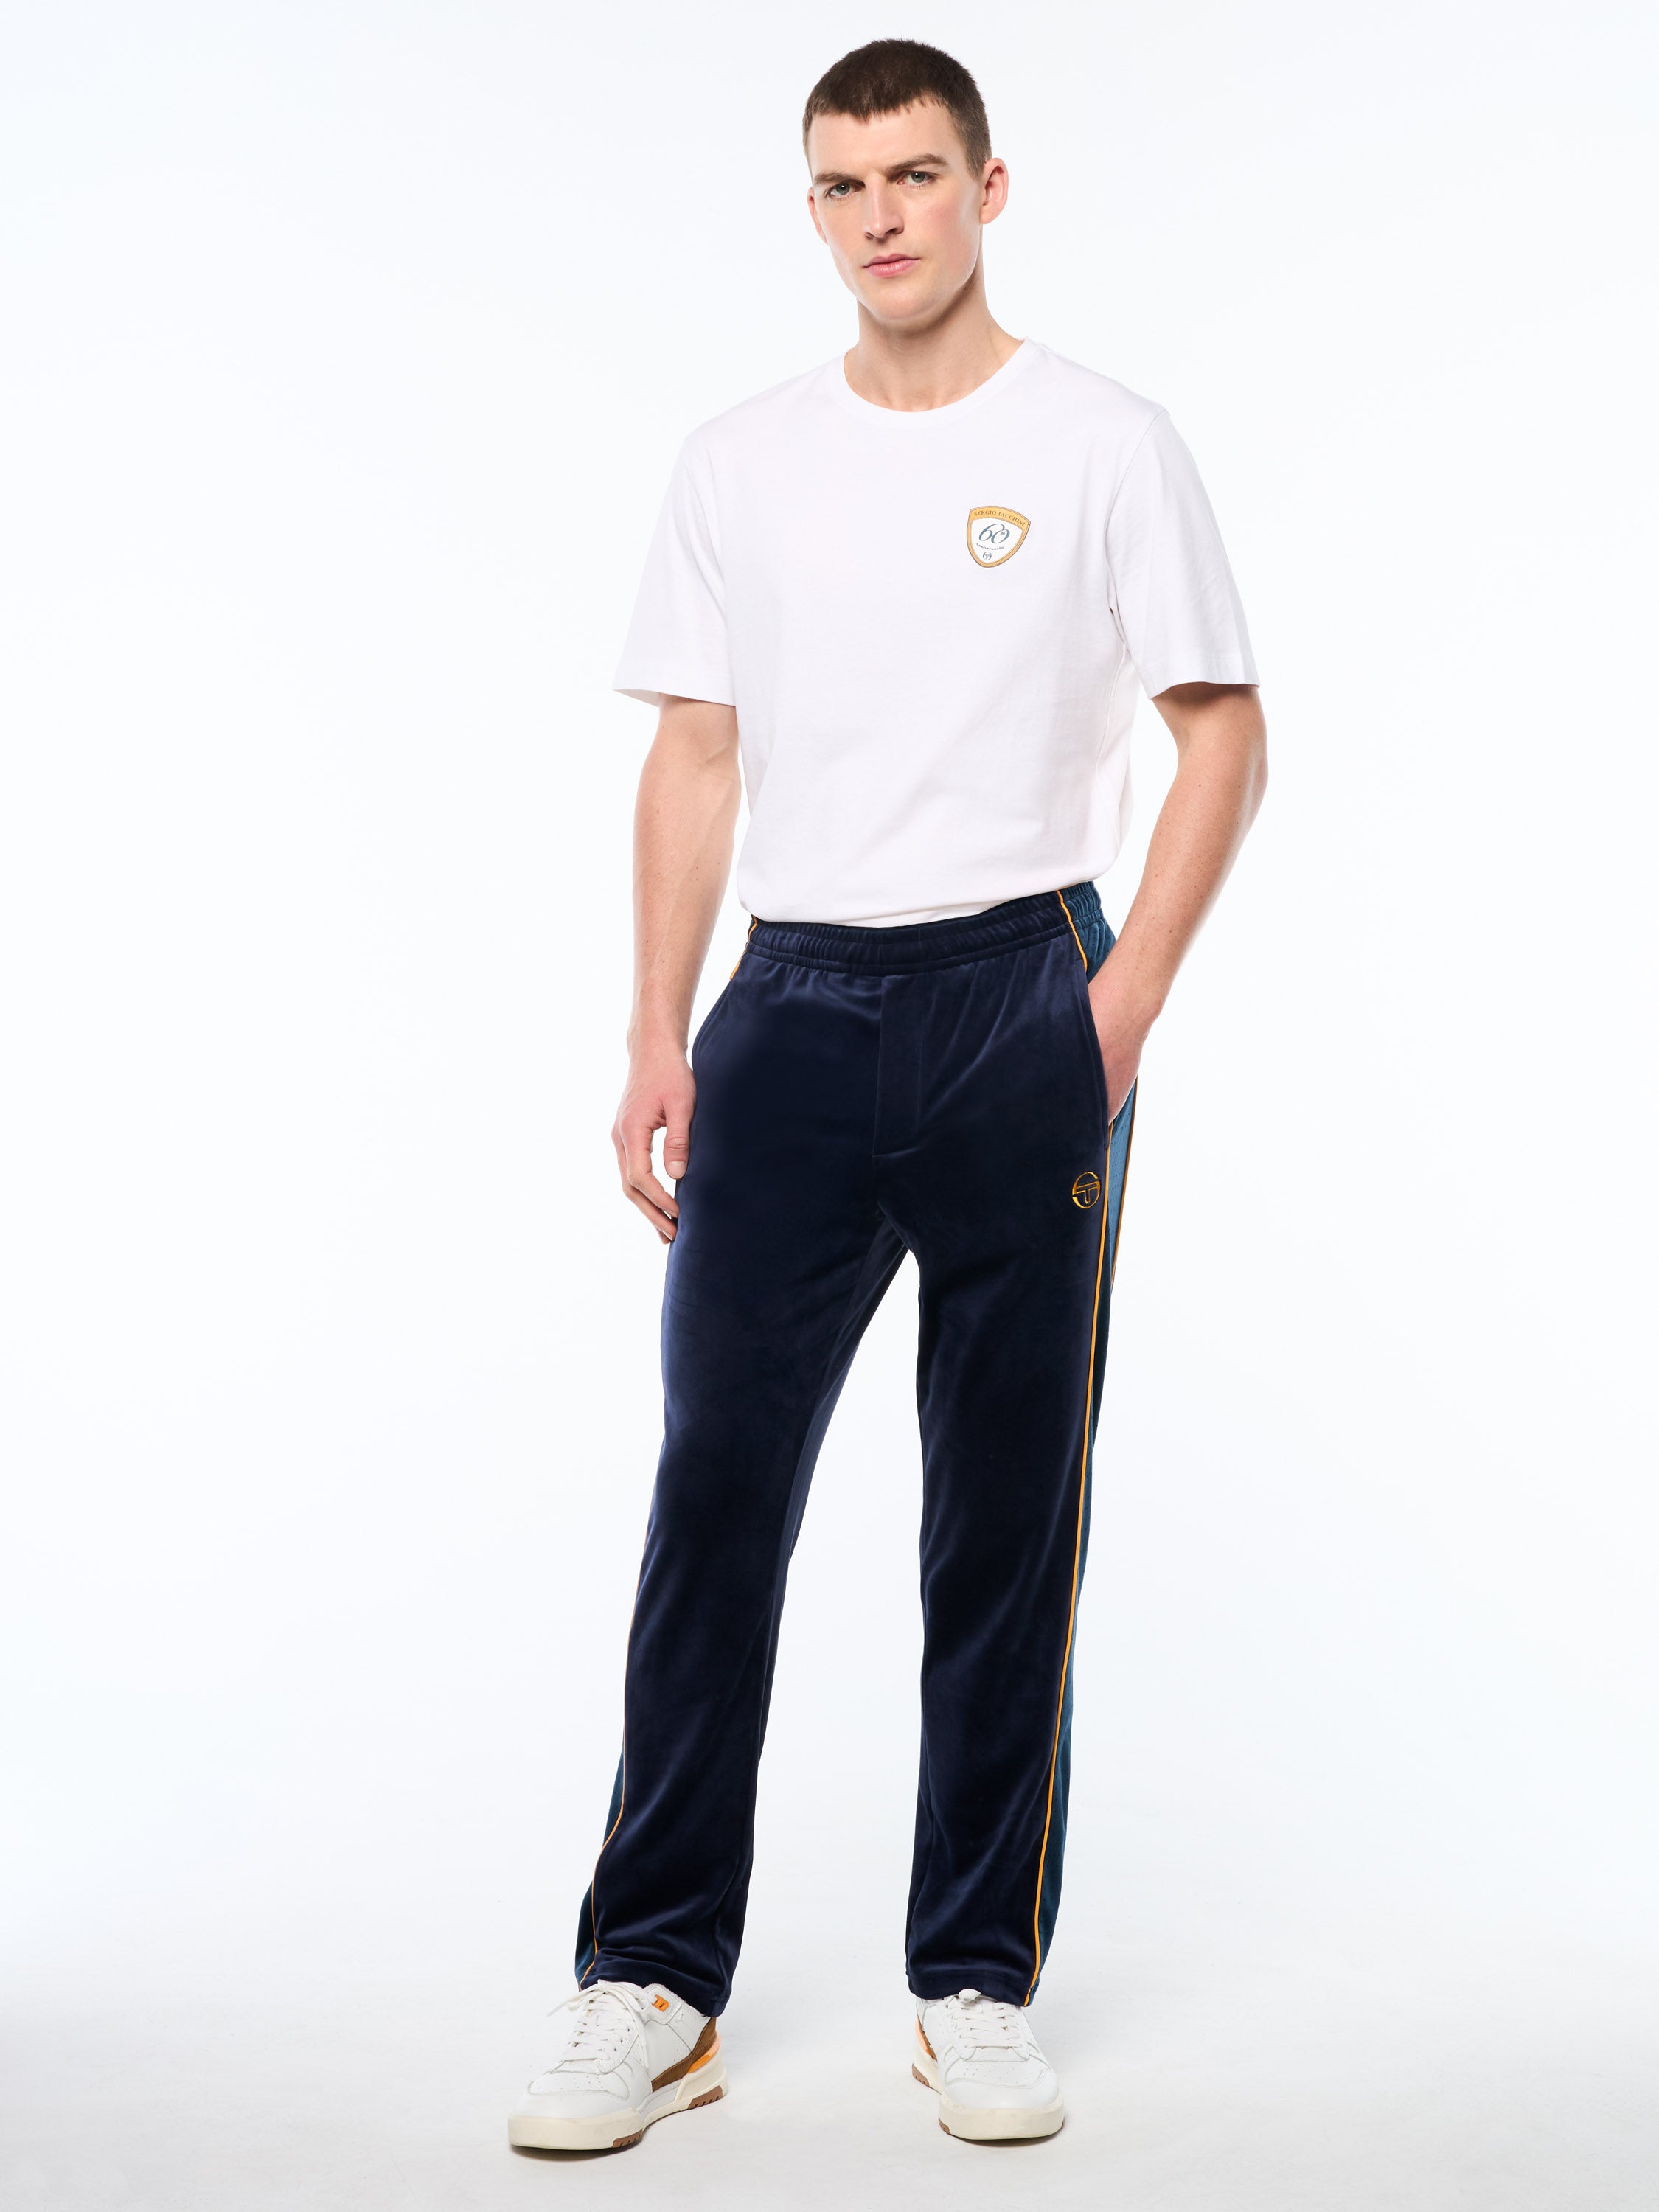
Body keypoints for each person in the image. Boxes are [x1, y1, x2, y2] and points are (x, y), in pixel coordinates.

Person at [509, 37, 1266, 2154]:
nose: (881, 218)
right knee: (714, 1499)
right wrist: (655, 1030)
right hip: (792, 1005)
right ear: (814, 209)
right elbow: (693, 753)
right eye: (843, 187)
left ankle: (974, 1980)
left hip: (1025, 985)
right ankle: (650, 1976)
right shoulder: (741, 460)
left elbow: (1221, 732)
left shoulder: (1106, 443)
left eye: (915, 177)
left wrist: (1115, 1015)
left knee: (1003, 1515)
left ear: (987, 190)